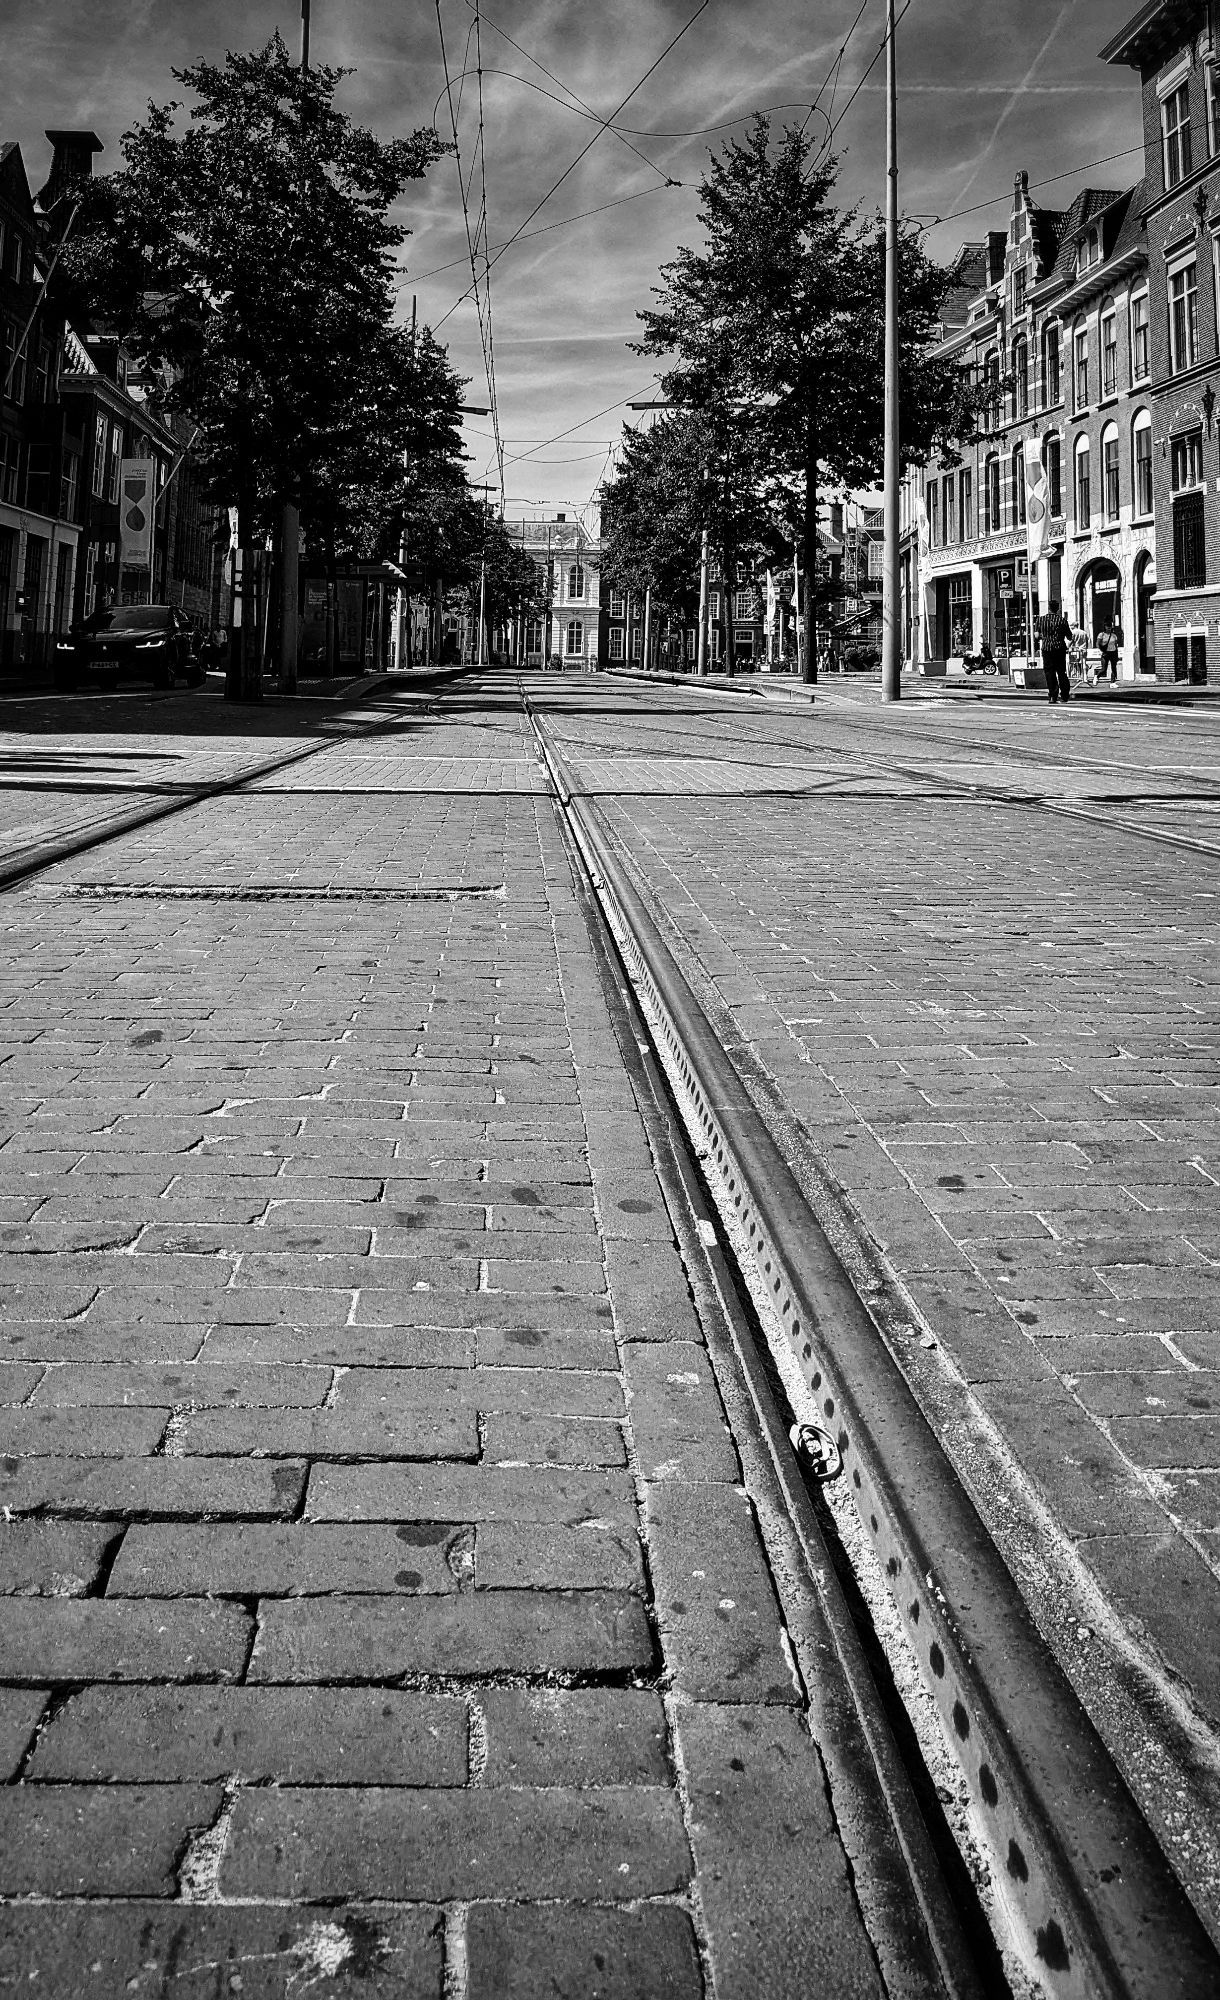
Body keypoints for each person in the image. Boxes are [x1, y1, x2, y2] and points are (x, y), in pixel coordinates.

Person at [1036, 598, 1074, 705]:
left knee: (1049, 673)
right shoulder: (1062, 620)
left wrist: (1044, 637)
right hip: (1059, 648)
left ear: (1048, 608)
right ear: (1058, 609)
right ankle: (1065, 694)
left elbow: (1036, 635)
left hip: (1047, 648)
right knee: (1061, 672)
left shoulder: (1041, 620)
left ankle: (1053, 695)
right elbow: (1069, 636)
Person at [1096, 617, 1121, 685]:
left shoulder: (1114, 635)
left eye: (1110, 626)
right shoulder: (1101, 635)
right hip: (1105, 653)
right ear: (1105, 627)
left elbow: (1116, 645)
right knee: (1104, 669)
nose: (1109, 628)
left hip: (1113, 652)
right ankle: (1097, 676)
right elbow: (1097, 644)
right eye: (1107, 626)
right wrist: (1101, 651)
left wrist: (1117, 655)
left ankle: (1112, 682)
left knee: (1113, 668)